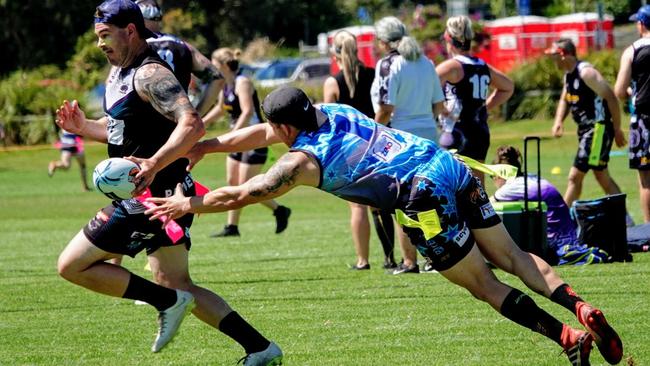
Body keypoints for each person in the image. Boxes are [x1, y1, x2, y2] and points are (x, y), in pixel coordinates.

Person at [147, 87, 623, 365]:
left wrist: (183, 204)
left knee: (484, 284)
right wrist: (207, 146)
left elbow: (244, 194)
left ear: (286, 128)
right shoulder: (334, 111)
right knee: (514, 256)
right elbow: (261, 132)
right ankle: (580, 308)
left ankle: (568, 340)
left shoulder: (301, 161)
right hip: (448, 165)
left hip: (422, 196)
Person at [54, 2, 282, 364]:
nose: (99, 44)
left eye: (104, 35)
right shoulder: (119, 74)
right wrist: (83, 128)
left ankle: (167, 303)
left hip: (151, 198)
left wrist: (154, 162)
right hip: (167, 196)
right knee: (178, 284)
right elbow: (121, 134)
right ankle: (260, 347)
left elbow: (192, 124)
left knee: (72, 266)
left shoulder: (150, 74)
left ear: (130, 30)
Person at [371, 16, 446, 274]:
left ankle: (409, 261)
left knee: (402, 203)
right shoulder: (426, 62)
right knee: (430, 200)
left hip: (401, 139)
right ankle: (436, 257)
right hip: (429, 136)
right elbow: (439, 106)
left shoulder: (388, 64)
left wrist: (371, 135)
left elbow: (386, 109)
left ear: (382, 42)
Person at [323, 30, 396, 270]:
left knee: (357, 206)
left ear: (336, 54)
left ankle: (363, 260)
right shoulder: (372, 74)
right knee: (382, 205)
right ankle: (390, 258)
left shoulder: (333, 82)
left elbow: (329, 121)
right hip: (375, 142)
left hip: (348, 150)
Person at [202, 47, 291, 238]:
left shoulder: (242, 82)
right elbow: (220, 109)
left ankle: (279, 209)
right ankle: (232, 227)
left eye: (214, 64)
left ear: (225, 65)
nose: (211, 67)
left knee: (245, 186)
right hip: (237, 139)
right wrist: (200, 124)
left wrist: (232, 135)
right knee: (233, 182)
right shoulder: (224, 84)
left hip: (253, 139)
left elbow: (247, 111)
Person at [546, 38, 628, 212]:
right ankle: (625, 220)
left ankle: (561, 221)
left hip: (597, 129)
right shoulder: (568, 74)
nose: (551, 60)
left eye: (553, 55)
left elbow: (611, 97)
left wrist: (617, 128)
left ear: (563, 54)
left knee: (574, 177)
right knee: (602, 176)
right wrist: (558, 121)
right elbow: (564, 98)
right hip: (586, 130)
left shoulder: (586, 73)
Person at [492, 145, 608, 265]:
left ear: (500, 174)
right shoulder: (531, 177)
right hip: (568, 231)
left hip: (553, 237)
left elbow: (488, 204)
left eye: (492, 176)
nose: (494, 181)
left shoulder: (510, 188)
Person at [436, 15, 514, 185]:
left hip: (457, 132)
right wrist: (485, 107)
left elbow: (426, 87)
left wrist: (441, 108)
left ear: (449, 39)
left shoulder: (452, 66)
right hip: (479, 132)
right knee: (477, 188)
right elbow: (508, 87)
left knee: (450, 185)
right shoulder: (482, 66)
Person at [135, 0, 222, 116]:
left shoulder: (134, 46)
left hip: (141, 124)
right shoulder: (183, 45)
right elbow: (217, 78)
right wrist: (196, 114)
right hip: (179, 123)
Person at [615, 5, 650, 223]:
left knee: (646, 179)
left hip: (644, 121)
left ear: (642, 24)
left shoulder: (633, 51)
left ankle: (649, 229)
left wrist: (631, 93)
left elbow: (619, 89)